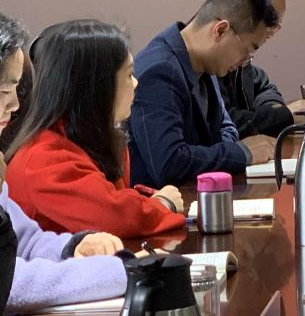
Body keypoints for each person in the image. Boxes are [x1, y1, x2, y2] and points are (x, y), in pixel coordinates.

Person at [5, 20, 185, 237]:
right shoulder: (43, 159)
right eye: (128, 75)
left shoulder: (83, 137)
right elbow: (113, 217)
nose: (136, 83)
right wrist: (163, 204)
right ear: (95, 87)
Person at [0, 12, 130, 312]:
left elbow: (26, 240)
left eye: (17, 89)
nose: (15, 104)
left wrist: (73, 247)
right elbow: (9, 282)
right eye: (5, 90)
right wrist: (120, 272)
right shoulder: (42, 155)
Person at [128, 0, 280, 186]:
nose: (245, 61)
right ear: (220, 30)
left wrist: (224, 150)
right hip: (162, 201)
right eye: (247, 50)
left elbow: (225, 129)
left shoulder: (204, 63)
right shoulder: (160, 71)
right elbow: (170, 163)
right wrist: (243, 153)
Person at [218, 0, 305, 138]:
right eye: (270, 20)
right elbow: (225, 122)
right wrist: (283, 115)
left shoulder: (242, 59)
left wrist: (273, 110)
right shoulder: (206, 64)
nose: (272, 30)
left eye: (277, 23)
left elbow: (263, 87)